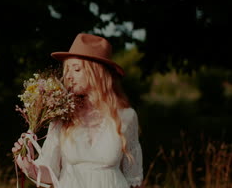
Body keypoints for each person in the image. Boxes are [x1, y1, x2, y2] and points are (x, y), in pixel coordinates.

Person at [12, 33, 144, 188]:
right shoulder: (62, 115)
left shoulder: (126, 116)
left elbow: (134, 178)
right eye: (66, 69)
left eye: (76, 69)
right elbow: (50, 173)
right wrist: (28, 166)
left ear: (97, 72)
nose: (68, 76)